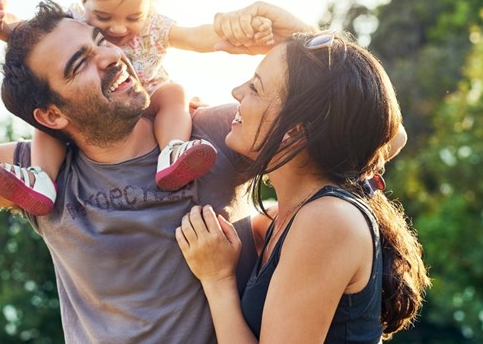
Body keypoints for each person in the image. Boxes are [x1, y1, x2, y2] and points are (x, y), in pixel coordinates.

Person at [0, 0, 310, 343]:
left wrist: (303, 35)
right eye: (80, 63)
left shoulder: (211, 136)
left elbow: (366, 136)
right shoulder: (39, 177)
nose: (109, 57)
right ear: (51, 116)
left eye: (99, 42)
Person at [0, 0, 274, 215]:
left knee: (175, 93)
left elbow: (194, 35)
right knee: (52, 119)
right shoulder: (73, 24)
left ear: (150, 3)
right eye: (104, 16)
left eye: (133, 16)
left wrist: (231, 37)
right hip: (98, 108)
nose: (119, 28)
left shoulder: (153, 27)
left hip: (146, 98)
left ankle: (173, 151)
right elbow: (20, 29)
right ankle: (41, 178)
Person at [175, 29, 430, 342]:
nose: (236, 91)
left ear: (293, 130)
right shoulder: (289, 219)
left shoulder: (328, 221)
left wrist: (218, 280)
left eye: (255, 87)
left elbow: (385, 129)